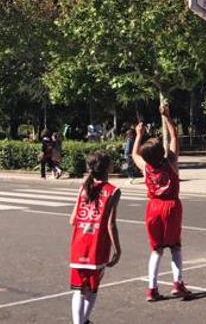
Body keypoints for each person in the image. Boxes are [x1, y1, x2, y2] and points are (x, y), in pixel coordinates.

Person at [132, 103, 192, 302]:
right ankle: (178, 283)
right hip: (171, 206)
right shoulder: (170, 162)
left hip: (153, 207)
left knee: (156, 249)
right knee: (175, 246)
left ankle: (152, 288)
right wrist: (167, 117)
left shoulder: (146, 167)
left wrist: (138, 134)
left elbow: (134, 154)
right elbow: (174, 137)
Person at [69, 151, 121, 324]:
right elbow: (110, 224)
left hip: (78, 245)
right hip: (96, 247)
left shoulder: (84, 187)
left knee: (78, 290)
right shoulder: (113, 191)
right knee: (91, 290)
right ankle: (83, 321)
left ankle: (79, 322)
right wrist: (118, 249)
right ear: (107, 167)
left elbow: (72, 220)